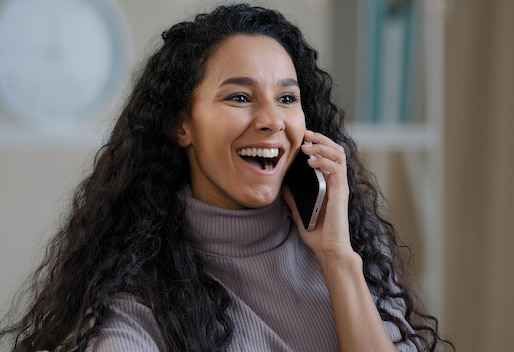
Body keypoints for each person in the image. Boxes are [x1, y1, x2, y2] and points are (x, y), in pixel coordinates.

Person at [0, 3, 452, 352]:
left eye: (287, 98)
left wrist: (337, 258)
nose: (272, 120)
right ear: (182, 125)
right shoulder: (137, 292)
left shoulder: (351, 244)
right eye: (239, 96)